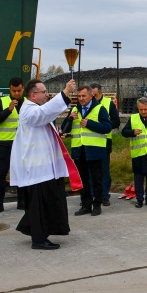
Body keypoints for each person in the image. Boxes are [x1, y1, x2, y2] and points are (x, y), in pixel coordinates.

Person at [10, 79, 77, 250]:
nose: (47, 94)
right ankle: (38, 239)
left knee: (46, 202)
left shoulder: (35, 109)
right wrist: (65, 92)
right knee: (40, 204)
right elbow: (44, 113)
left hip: (45, 168)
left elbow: (46, 116)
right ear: (33, 95)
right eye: (44, 91)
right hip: (37, 169)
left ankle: (30, 227)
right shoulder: (28, 110)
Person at [61, 86, 112, 216]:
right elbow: (64, 129)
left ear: (91, 96)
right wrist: (70, 119)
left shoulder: (100, 109)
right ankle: (86, 205)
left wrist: (90, 124)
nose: (81, 99)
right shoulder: (74, 109)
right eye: (79, 96)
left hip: (95, 150)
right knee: (83, 180)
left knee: (96, 180)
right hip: (79, 150)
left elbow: (107, 127)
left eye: (84, 96)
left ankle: (97, 205)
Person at [0, 77, 26, 215]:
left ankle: (22, 202)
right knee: (1, 174)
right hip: (5, 144)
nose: (16, 93)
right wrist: (9, 110)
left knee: (22, 173)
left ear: (23, 89)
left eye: (19, 90)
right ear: (10, 89)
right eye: (14, 91)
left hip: (22, 144)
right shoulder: (1, 102)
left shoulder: (28, 103)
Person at [90, 83, 121, 207]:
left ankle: (104, 196)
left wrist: (104, 126)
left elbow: (116, 121)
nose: (93, 97)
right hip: (89, 142)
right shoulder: (86, 104)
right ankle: (92, 195)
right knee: (90, 171)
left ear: (101, 93)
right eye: (91, 95)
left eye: (95, 95)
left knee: (104, 170)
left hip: (104, 141)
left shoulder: (108, 104)